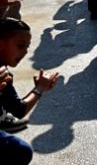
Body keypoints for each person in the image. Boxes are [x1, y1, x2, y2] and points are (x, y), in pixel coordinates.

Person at [0, 18, 59, 165]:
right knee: (20, 151)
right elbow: (19, 110)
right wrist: (39, 89)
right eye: (20, 46)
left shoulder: (3, 72)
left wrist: (39, 89)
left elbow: (17, 109)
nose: (25, 52)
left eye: (27, 47)